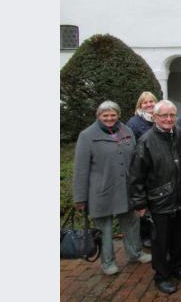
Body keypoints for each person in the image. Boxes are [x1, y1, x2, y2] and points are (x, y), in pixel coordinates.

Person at [74, 101, 151, 276]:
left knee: (131, 223)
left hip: (126, 189)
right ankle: (108, 262)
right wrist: (80, 197)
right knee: (105, 229)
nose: (109, 118)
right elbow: (80, 169)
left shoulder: (127, 131)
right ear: (98, 116)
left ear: (118, 115)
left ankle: (135, 253)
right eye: (105, 115)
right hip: (101, 191)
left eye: (113, 115)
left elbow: (136, 160)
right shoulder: (87, 135)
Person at [129, 100, 181, 294]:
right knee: (161, 243)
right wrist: (139, 203)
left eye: (172, 115)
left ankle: (177, 267)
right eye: (163, 115)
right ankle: (162, 276)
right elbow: (136, 175)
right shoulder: (146, 141)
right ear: (155, 117)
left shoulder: (180, 135)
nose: (168, 119)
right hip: (159, 201)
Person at [124, 91, 158, 247]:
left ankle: (153, 234)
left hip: (157, 168)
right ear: (140, 105)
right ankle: (144, 237)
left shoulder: (158, 119)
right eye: (145, 102)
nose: (149, 104)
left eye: (152, 101)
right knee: (143, 203)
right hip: (142, 167)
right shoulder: (134, 123)